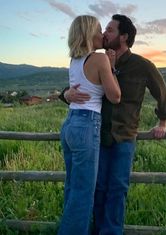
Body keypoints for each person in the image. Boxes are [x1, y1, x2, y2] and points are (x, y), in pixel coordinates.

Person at [61, 14, 166, 235]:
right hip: (97, 136)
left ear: (123, 37)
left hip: (125, 136)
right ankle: (95, 229)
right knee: (97, 188)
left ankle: (110, 232)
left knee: (117, 189)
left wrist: (163, 122)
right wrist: (65, 94)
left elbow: (163, 94)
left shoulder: (142, 65)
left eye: (110, 30)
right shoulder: (95, 59)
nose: (104, 34)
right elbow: (75, 86)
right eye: (103, 29)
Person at [57, 15, 121, 235]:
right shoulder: (100, 59)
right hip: (87, 125)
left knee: (73, 187)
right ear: (89, 34)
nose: (102, 34)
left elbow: (76, 90)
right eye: (99, 30)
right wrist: (111, 67)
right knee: (84, 193)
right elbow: (115, 96)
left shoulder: (74, 61)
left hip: (70, 124)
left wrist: (66, 94)